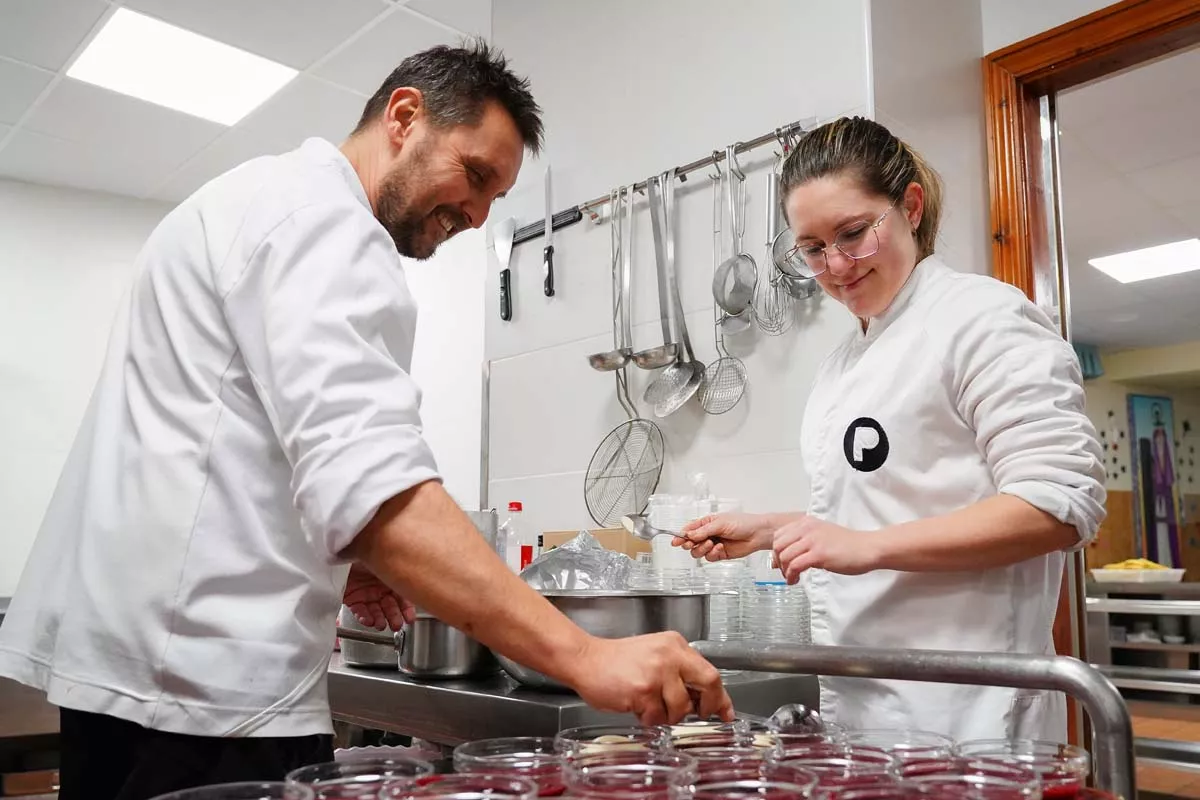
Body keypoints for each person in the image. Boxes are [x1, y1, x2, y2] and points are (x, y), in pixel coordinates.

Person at [0, 42, 731, 800]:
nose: (477, 216)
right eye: (475, 175)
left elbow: (223, 449)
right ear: (405, 116)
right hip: (206, 697)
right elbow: (384, 493)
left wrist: (340, 558)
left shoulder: (251, 200)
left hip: (140, 678)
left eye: (494, 200)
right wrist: (585, 656)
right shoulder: (325, 225)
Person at [677, 116, 1105, 741]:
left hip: (973, 717)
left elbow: (1060, 507)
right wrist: (772, 529)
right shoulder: (846, 362)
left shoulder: (982, 319)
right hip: (868, 709)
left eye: (853, 233)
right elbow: (887, 501)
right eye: (813, 248)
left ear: (909, 205)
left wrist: (865, 550)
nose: (837, 265)